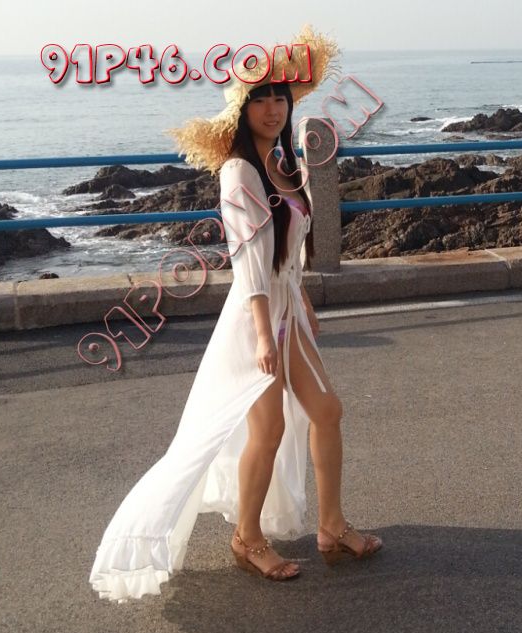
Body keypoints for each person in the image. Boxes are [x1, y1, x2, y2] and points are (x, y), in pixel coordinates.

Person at [89, 24, 381, 602]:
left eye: (280, 98)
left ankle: (331, 526)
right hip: (256, 320)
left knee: (327, 410)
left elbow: (287, 252)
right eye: (260, 99)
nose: (273, 109)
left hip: (285, 310)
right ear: (242, 111)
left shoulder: (287, 164)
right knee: (267, 429)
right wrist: (264, 334)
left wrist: (301, 299)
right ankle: (246, 539)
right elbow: (249, 260)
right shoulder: (239, 172)